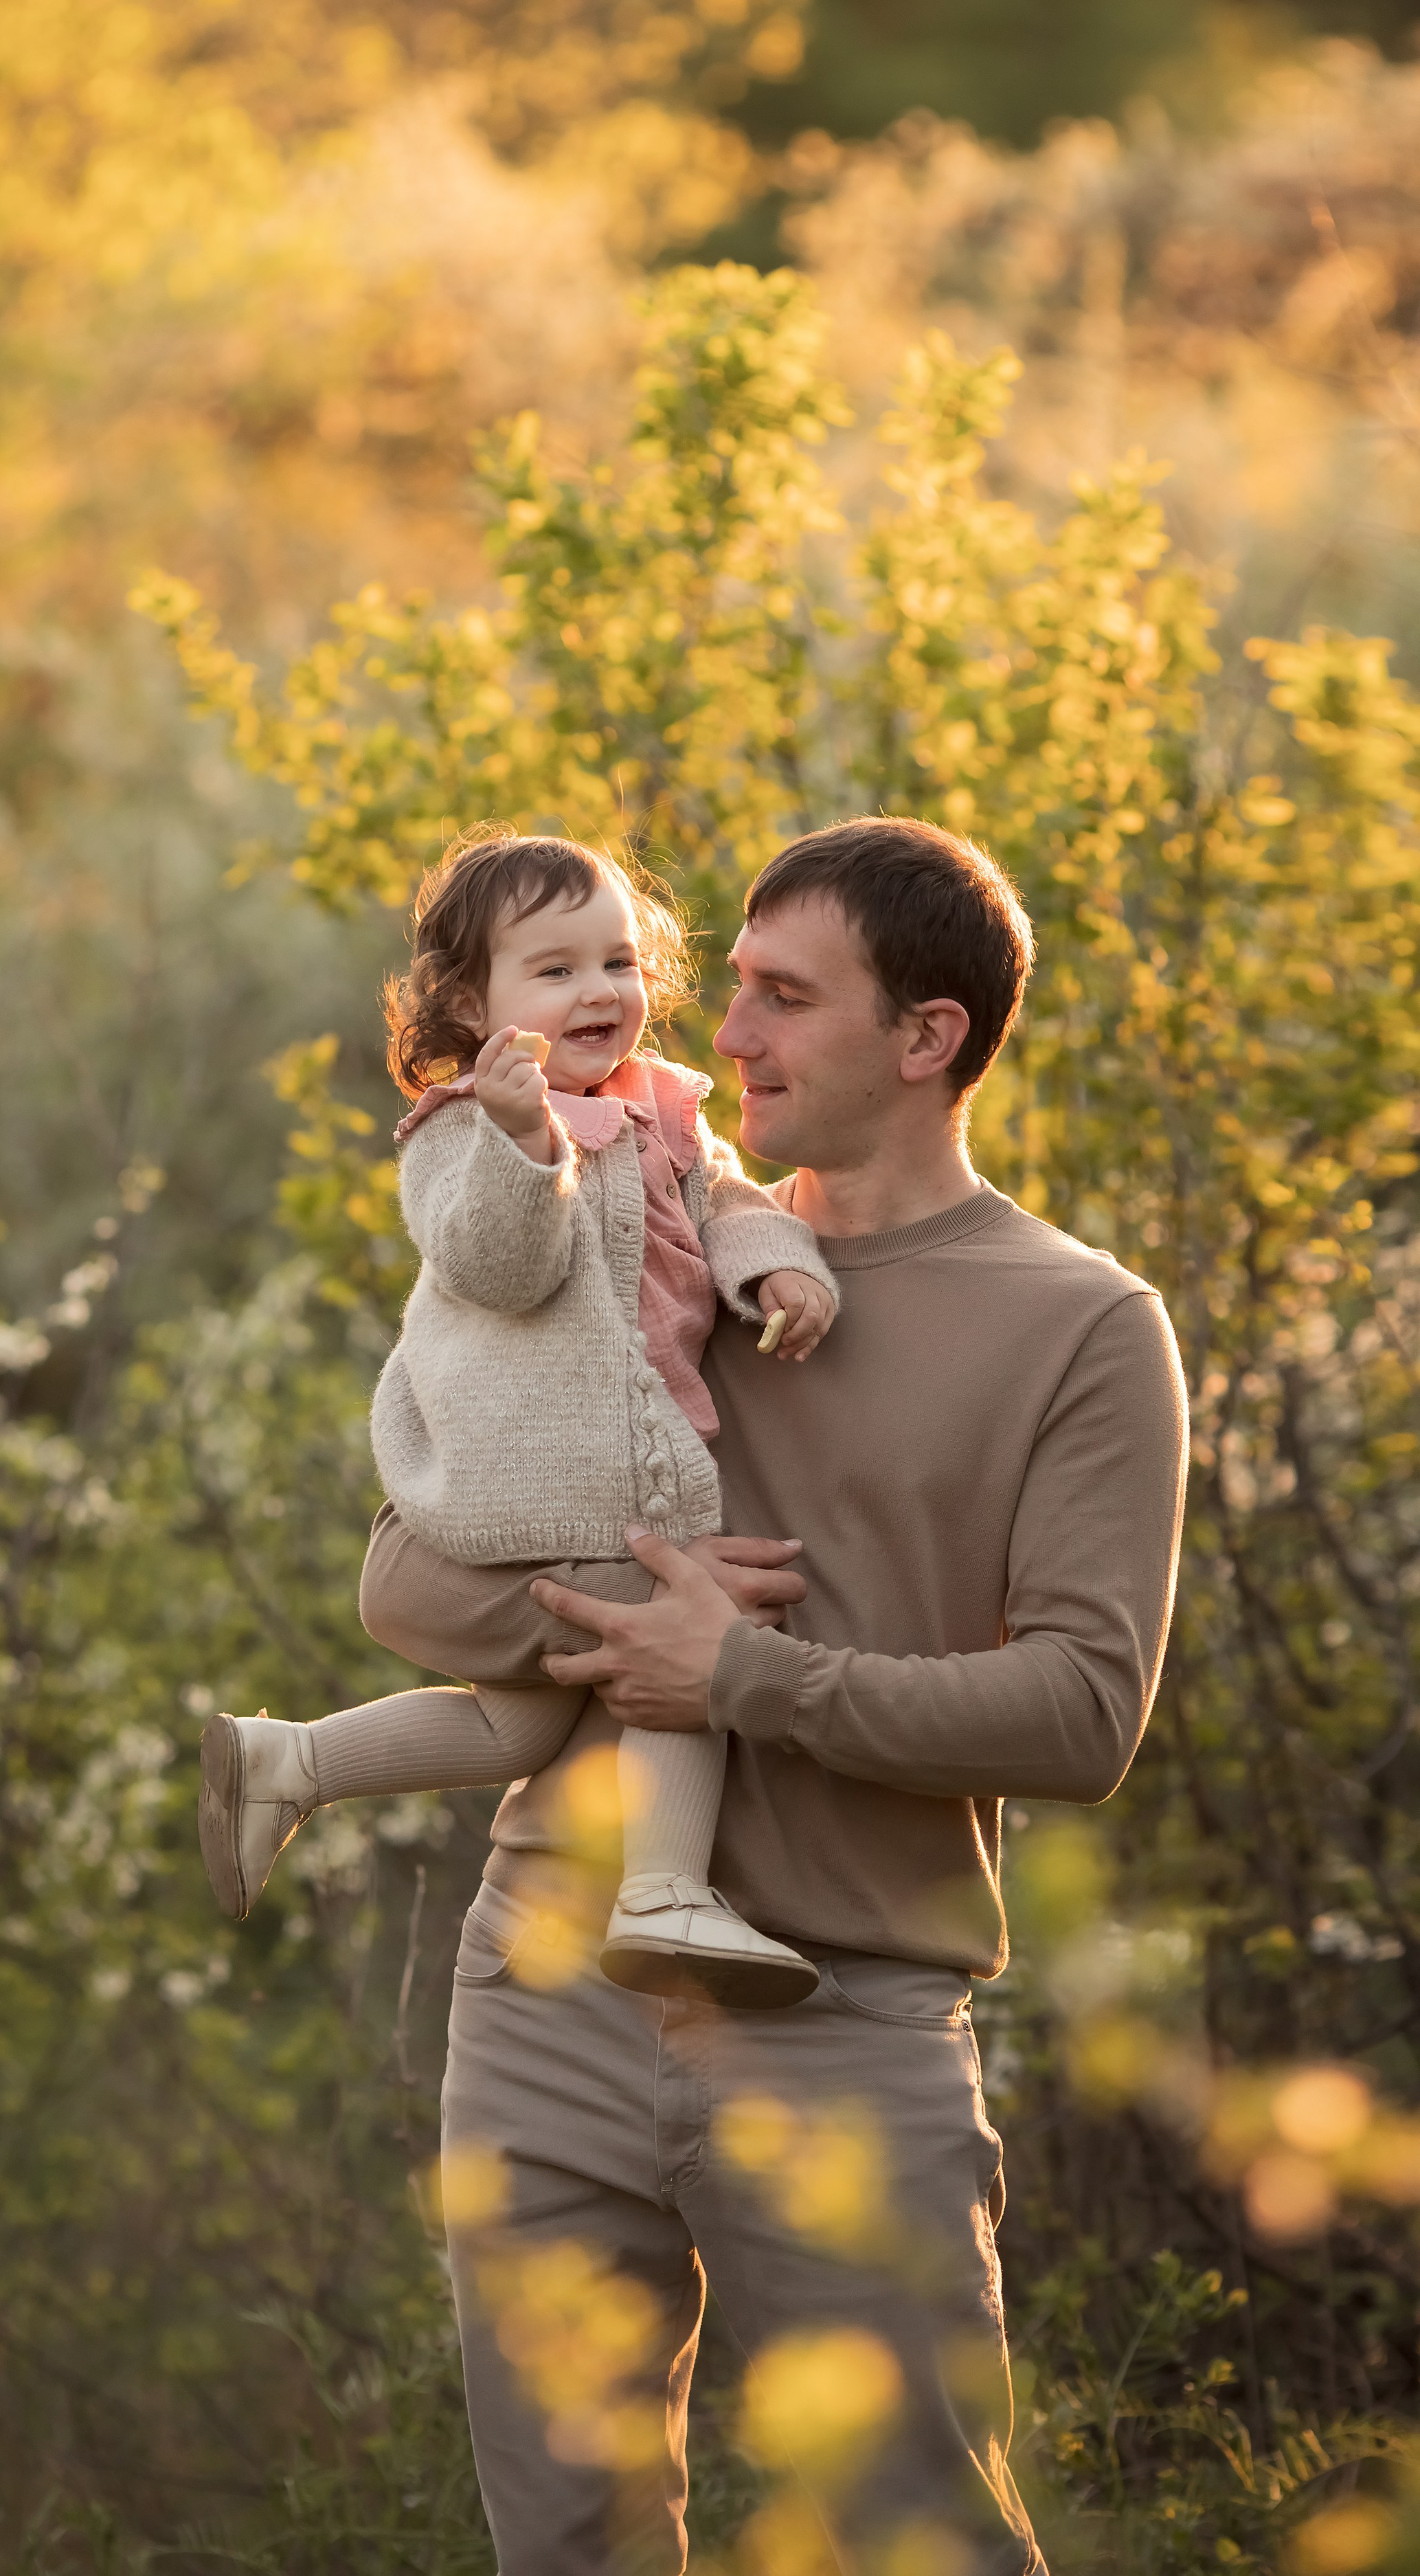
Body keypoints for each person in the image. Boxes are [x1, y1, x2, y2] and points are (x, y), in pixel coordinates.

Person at [357, 817, 1190, 2575]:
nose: (716, 1033)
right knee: (564, 2551)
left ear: (925, 1039)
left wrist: (746, 1676)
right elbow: (404, 1577)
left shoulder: (1079, 1324)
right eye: (727, 983)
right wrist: (611, 1631)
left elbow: (1076, 1714)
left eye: (780, 999)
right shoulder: (637, 1233)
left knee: (922, 2540)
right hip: (545, 1996)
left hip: (849, 2018)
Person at [197, 826, 840, 2003]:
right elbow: (502, 1266)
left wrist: (778, 1267)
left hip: (614, 1493)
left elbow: (732, 1203)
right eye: (555, 970)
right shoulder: (457, 1132)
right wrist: (521, 1138)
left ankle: (289, 1762)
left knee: (521, 1735)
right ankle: (664, 1894)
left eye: (619, 961)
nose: (599, 991)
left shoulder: (662, 1112)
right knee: (680, 1616)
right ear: (467, 1000)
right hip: (516, 1497)